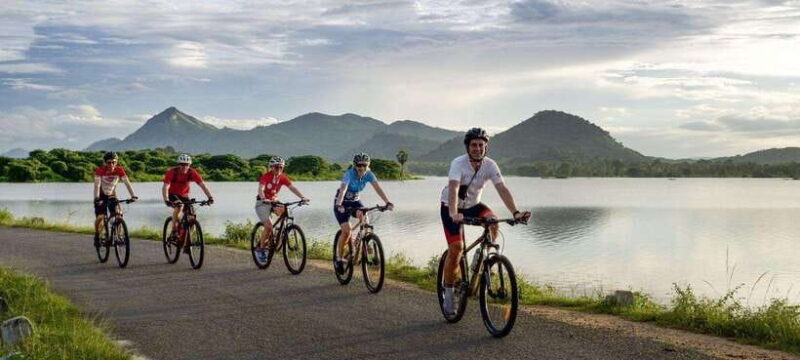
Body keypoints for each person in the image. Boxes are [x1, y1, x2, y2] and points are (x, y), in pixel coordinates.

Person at [440, 128, 531, 315]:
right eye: (474, 145)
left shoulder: (490, 165)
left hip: (474, 205)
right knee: (456, 249)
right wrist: (453, 212)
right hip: (451, 206)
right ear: (468, 147)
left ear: (486, 147)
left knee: (493, 221)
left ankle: (483, 259)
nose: (478, 148)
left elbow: (502, 188)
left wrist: (515, 212)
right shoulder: (458, 163)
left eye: (481, 145)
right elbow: (454, 188)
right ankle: (448, 293)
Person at [333, 153, 393, 273]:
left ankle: (364, 241)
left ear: (367, 166)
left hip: (355, 202)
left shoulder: (369, 175)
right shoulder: (349, 173)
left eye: (364, 165)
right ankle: (339, 258)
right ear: (354, 165)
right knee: (346, 231)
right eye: (358, 165)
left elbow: (378, 188)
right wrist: (339, 204)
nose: (361, 167)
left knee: (365, 217)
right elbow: (343, 189)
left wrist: (387, 202)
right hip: (342, 203)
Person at [254, 156, 310, 263]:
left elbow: (292, 187)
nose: (279, 169)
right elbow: (261, 189)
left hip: (274, 202)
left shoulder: (282, 177)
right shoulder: (266, 176)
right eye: (276, 167)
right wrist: (263, 198)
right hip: (262, 203)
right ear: (271, 167)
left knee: (285, 211)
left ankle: (278, 234)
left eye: (281, 167)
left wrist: (302, 197)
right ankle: (260, 249)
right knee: (269, 226)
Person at [162, 154, 214, 253]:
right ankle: (173, 231)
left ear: (189, 165)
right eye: (182, 165)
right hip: (173, 195)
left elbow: (202, 185)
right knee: (179, 206)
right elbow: (165, 186)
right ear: (178, 165)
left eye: (187, 165)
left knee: (192, 219)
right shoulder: (172, 172)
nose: (185, 167)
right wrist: (166, 199)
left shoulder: (192, 172)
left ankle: (187, 243)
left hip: (185, 196)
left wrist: (210, 197)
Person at [93, 151, 138, 247]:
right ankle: (97, 235)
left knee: (118, 215)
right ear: (105, 163)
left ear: (116, 162)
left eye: (114, 162)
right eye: (109, 162)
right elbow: (97, 186)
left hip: (112, 195)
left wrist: (133, 195)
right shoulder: (100, 170)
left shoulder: (119, 170)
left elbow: (127, 183)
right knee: (100, 217)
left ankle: (119, 236)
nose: (111, 164)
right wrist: (97, 198)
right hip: (100, 195)